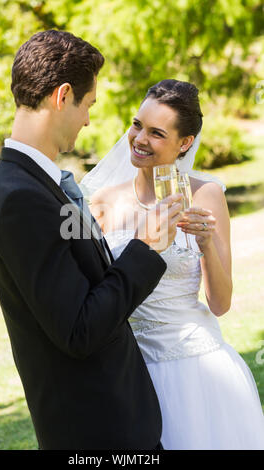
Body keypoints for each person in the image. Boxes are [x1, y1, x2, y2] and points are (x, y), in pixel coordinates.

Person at [0, 31, 183, 450]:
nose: (88, 119)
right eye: (88, 105)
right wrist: (146, 248)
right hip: (97, 433)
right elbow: (79, 329)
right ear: (63, 95)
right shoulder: (21, 197)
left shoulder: (34, 183)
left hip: (113, 422)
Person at [82, 79, 264, 450]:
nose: (139, 139)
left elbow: (220, 303)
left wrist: (205, 243)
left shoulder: (206, 194)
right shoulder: (100, 203)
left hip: (199, 370)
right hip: (131, 371)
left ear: (185, 143)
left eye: (156, 133)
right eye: (137, 125)